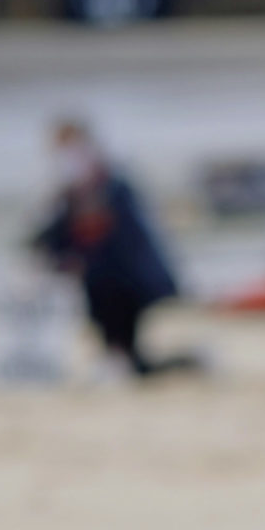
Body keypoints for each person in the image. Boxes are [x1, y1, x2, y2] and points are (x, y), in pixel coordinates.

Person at [34, 116, 200, 377]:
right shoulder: (80, 189)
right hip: (104, 281)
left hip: (124, 280)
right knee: (121, 347)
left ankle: (178, 363)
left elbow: (123, 235)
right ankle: (171, 363)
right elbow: (58, 232)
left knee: (123, 345)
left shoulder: (109, 185)